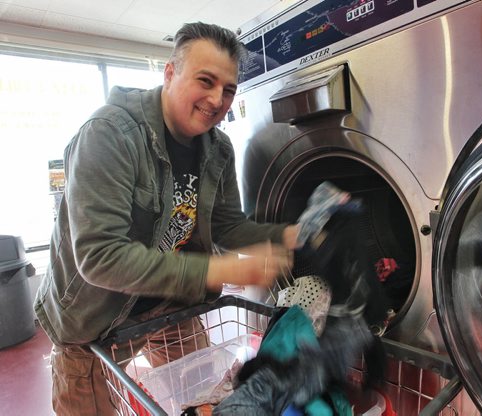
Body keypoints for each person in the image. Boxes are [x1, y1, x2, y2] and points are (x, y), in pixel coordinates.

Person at [34, 22, 298, 415]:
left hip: (169, 305)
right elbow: (99, 257)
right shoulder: (109, 136)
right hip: (93, 321)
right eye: (205, 81)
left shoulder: (218, 148)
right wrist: (215, 270)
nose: (217, 100)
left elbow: (228, 227)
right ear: (170, 73)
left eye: (229, 89)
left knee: (209, 401)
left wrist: (293, 234)